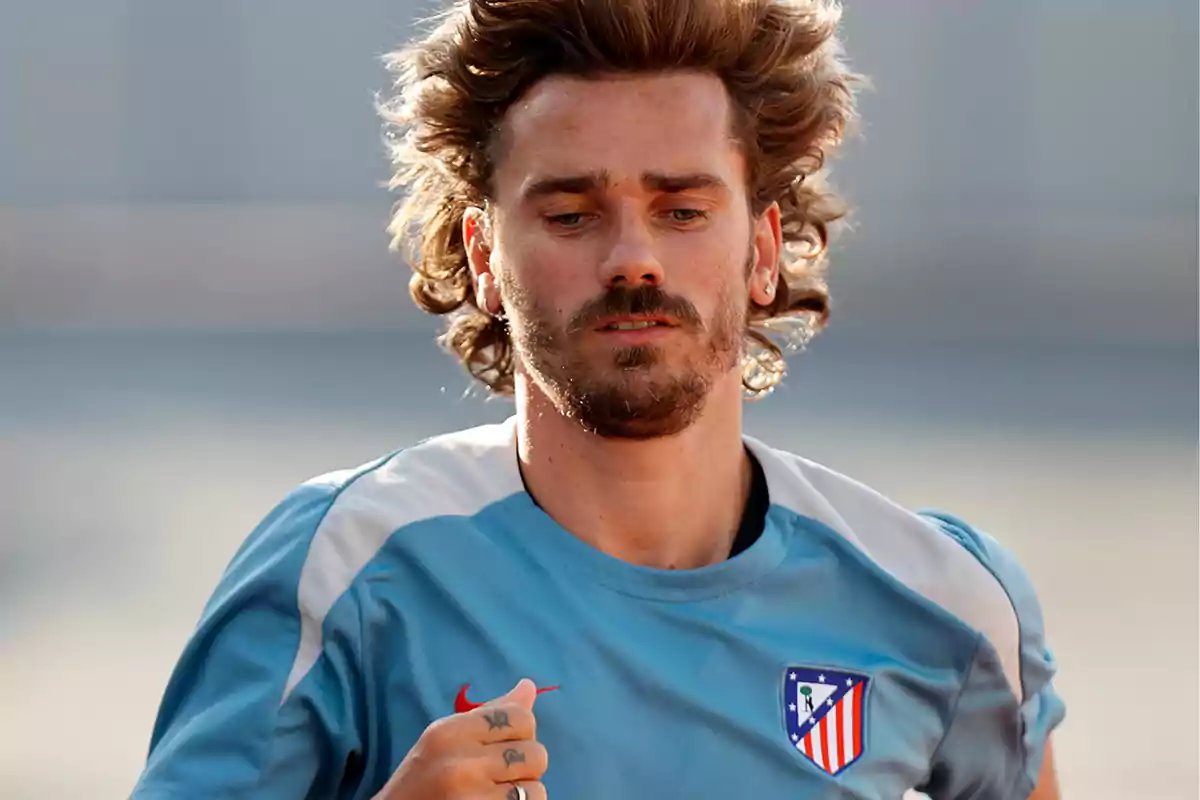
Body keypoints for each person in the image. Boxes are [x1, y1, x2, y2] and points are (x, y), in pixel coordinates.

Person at [132, 0, 1066, 798]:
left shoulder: (944, 602)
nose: (633, 259)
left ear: (765, 251)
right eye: (571, 214)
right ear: (485, 258)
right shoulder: (339, 572)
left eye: (684, 210)